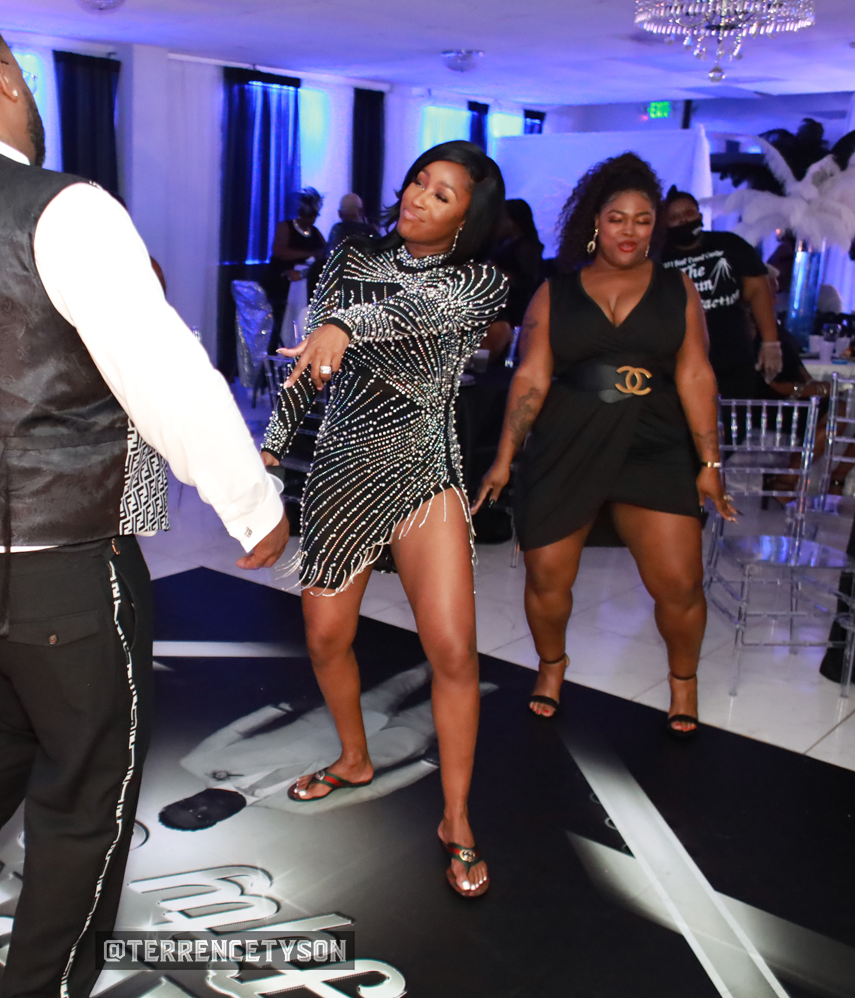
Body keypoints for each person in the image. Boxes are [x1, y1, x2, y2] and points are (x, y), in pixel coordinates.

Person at [0, 3, 288, 993]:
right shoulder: (62, 205)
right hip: (57, 557)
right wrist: (250, 501)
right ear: (3, 71)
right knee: (89, 787)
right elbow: (165, 373)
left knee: (10, 723)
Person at [261, 140, 509, 898]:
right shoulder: (350, 256)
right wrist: (270, 451)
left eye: (442, 194)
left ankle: (456, 817)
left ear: (468, 217)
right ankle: (353, 758)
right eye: (418, 182)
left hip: (423, 473)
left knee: (453, 651)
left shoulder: (479, 280)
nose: (418, 198)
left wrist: (346, 325)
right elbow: (310, 361)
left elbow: (413, 312)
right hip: (341, 469)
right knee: (325, 637)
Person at [477, 153, 734, 739]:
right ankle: (551, 665)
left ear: (656, 225)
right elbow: (531, 377)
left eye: (643, 220)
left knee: (680, 584)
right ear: (596, 221)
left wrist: (709, 462)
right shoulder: (555, 292)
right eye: (618, 218)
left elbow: (696, 375)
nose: (630, 231)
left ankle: (684, 681)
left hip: (654, 443)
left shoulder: (678, 289)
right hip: (567, 442)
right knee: (547, 577)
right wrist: (504, 458)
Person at [659, 187, 783, 398]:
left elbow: (758, 290)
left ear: (699, 215)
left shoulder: (728, 244)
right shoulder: (658, 256)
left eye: (688, 213)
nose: (683, 220)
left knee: (735, 412)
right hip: (680, 358)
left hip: (733, 351)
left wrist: (771, 343)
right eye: (674, 217)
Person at [485, 197, 546, 364]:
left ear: (514, 221)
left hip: (515, 309)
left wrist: (497, 273)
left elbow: (528, 281)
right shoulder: (501, 242)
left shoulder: (527, 246)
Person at [264, 188, 327, 347]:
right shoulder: (286, 227)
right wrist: (308, 254)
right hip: (284, 281)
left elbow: (325, 252)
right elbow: (279, 251)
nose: (312, 219)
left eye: (314, 215)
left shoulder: (316, 233)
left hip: (306, 281)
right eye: (309, 215)